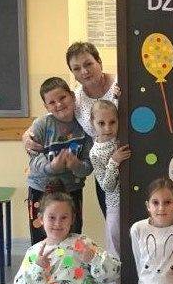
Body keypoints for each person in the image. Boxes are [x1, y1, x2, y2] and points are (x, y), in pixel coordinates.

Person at [23, 41, 119, 218]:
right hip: (103, 168)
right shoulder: (77, 99)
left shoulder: (121, 84)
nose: (84, 71)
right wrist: (27, 135)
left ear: (99, 61)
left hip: (129, 160)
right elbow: (55, 116)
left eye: (88, 64)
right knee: (113, 220)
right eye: (76, 68)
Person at [27, 77, 93, 244]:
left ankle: (72, 263)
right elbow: (33, 160)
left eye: (62, 97)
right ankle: (42, 262)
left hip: (72, 189)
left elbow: (89, 165)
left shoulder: (85, 125)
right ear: (46, 107)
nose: (58, 104)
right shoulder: (41, 125)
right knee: (41, 238)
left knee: (73, 236)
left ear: (72, 96)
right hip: (40, 190)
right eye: (51, 102)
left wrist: (77, 165)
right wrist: (51, 167)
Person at [89, 100, 131, 284]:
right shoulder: (95, 152)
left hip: (135, 202)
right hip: (115, 205)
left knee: (136, 247)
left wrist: (117, 95)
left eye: (112, 122)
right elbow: (106, 185)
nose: (107, 128)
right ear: (93, 123)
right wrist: (114, 162)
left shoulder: (123, 137)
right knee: (114, 249)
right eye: (101, 123)